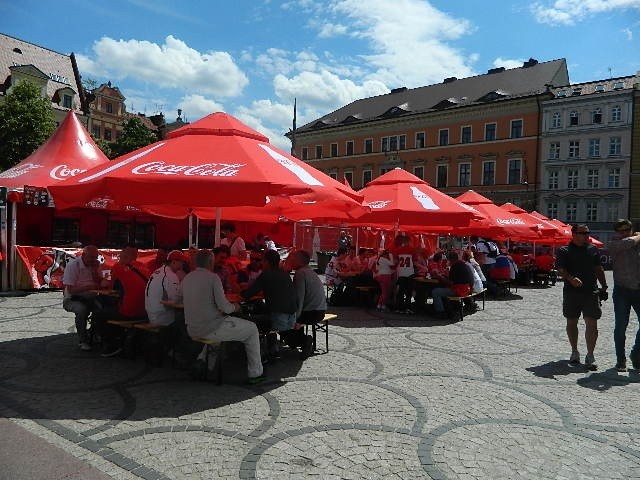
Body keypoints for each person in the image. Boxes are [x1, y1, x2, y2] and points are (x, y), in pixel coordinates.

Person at [179, 249, 264, 384]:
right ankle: (256, 373)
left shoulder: (187, 278)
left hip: (192, 328)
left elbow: (180, 298)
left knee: (219, 330)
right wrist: (235, 307)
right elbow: (225, 307)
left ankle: (203, 362)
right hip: (211, 328)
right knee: (252, 329)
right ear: (211, 262)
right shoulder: (213, 278)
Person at [556, 224, 608, 370]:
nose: (586, 235)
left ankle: (590, 355)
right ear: (574, 234)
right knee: (572, 322)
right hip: (571, 292)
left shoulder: (592, 249)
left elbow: (598, 268)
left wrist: (604, 286)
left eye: (588, 232)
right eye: (583, 233)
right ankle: (574, 351)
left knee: (592, 323)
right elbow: (560, 269)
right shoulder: (564, 250)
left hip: (591, 292)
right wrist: (571, 278)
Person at [242, 249, 301, 360]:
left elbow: (247, 295)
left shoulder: (266, 275)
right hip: (292, 318)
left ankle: (260, 353)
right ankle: (274, 347)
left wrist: (240, 291)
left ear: (267, 262)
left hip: (278, 320)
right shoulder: (285, 275)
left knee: (246, 319)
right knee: (262, 307)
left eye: (261, 261)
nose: (260, 263)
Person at [97, 245, 150, 357]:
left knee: (99, 313)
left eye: (120, 256)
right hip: (146, 311)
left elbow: (106, 285)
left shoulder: (118, 267)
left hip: (129, 312)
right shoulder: (144, 267)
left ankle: (112, 343)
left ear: (125, 257)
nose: (119, 258)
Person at [607, 219, 640, 371]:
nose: (624, 233)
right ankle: (621, 360)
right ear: (616, 232)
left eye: (627, 230)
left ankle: (636, 354)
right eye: (621, 231)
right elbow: (627, 243)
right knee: (621, 326)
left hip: (638, 289)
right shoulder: (614, 243)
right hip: (622, 291)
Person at [62, 245, 102, 351]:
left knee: (103, 308)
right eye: (92, 257)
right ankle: (83, 340)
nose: (94, 260)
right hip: (73, 298)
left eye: (96, 257)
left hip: (91, 298)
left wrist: (94, 271)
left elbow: (100, 284)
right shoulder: (73, 265)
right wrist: (88, 287)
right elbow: (70, 290)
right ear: (84, 255)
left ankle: (95, 334)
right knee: (81, 310)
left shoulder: (96, 265)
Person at [289, 250, 324, 358]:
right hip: (320, 310)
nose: (289, 260)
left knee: (284, 321)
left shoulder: (300, 274)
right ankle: (302, 341)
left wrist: (296, 318)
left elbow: (299, 299)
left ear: (298, 260)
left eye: (291, 258)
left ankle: (303, 341)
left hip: (311, 313)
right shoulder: (310, 271)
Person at [145, 250, 187, 327]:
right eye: (181, 262)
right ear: (173, 262)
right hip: (162, 317)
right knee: (185, 319)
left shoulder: (158, 271)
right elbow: (175, 300)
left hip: (152, 313)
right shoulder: (170, 275)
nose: (182, 265)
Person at [430, 251, 474, 319]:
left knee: (435, 291)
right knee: (443, 289)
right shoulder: (463, 264)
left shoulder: (455, 266)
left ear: (450, 259)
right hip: (467, 288)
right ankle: (449, 307)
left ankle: (441, 312)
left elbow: (450, 283)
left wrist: (440, 277)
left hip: (459, 290)